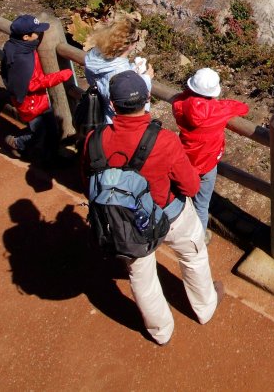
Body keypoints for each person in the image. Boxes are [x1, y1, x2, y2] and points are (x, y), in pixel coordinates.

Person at [83, 70, 219, 345]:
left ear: (112, 104)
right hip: (171, 214)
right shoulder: (165, 140)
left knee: (141, 277)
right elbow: (191, 187)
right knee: (193, 257)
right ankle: (205, 308)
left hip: (125, 223)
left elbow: (88, 181)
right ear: (147, 99)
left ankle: (161, 331)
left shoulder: (93, 140)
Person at [171, 67, 249, 234]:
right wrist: (218, 103)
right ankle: (199, 238)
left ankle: (176, 230)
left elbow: (180, 99)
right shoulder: (219, 110)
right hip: (207, 165)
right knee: (202, 204)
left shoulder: (179, 105)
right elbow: (242, 108)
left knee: (179, 195)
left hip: (184, 161)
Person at [1, 14, 72, 159]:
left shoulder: (16, 46)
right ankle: (18, 143)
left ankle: (53, 155)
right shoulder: (23, 60)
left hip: (36, 100)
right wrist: (61, 75)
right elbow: (32, 84)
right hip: (32, 103)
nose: (39, 34)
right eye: (36, 32)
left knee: (51, 128)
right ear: (26, 37)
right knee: (38, 133)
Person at [83, 13, 153, 123]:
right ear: (128, 44)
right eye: (136, 38)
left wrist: (132, 71)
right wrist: (146, 79)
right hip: (117, 125)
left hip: (103, 117)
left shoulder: (94, 59)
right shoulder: (120, 72)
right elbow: (131, 107)